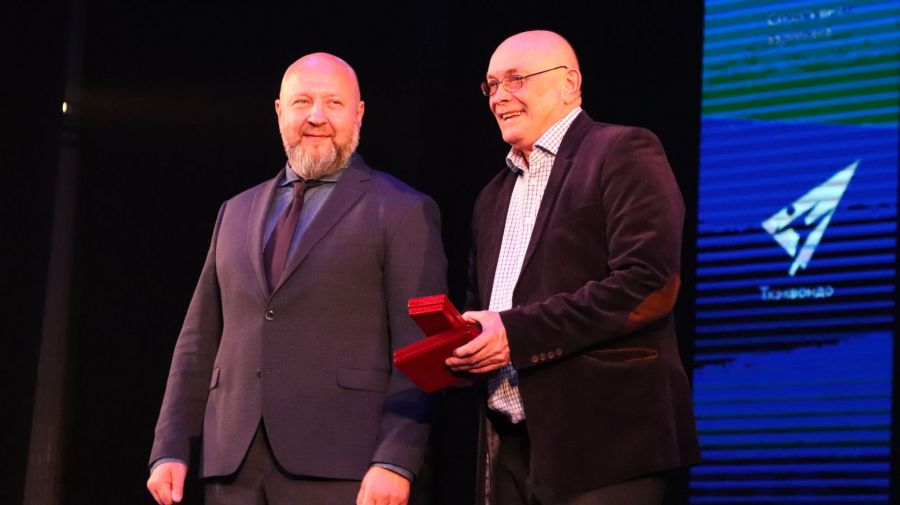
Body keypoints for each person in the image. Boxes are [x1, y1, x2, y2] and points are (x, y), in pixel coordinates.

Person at [146, 53, 446, 505]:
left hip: (343, 465)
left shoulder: (402, 210)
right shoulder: (235, 211)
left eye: (334, 103)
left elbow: (421, 348)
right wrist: (170, 446)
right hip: (233, 467)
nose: (316, 117)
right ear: (279, 111)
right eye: (302, 101)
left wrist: (396, 459)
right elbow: (198, 339)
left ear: (359, 113)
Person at [446, 31, 701, 505]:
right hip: (510, 448)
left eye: (516, 79)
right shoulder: (491, 196)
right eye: (491, 85)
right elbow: (485, 309)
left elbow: (648, 283)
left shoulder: (623, 150)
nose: (499, 96)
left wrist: (514, 333)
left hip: (605, 445)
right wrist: (462, 345)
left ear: (569, 84)